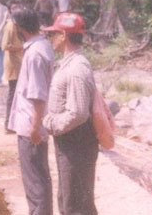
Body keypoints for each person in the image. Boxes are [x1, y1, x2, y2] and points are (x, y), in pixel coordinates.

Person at [42, 12, 99, 215]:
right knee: (69, 200)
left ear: (63, 35)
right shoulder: (71, 64)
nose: (50, 39)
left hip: (77, 142)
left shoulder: (76, 69)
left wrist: (51, 123)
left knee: (76, 205)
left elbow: (78, 113)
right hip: (71, 142)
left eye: (53, 34)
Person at [7, 9, 54, 215]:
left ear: (20, 28)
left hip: (30, 126)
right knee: (39, 178)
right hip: (32, 123)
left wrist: (35, 127)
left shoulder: (34, 53)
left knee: (35, 182)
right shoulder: (42, 46)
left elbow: (38, 94)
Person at [1, 0, 24, 134]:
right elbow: (4, 46)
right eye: (14, 8)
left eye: (18, 7)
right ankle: (8, 125)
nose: (17, 10)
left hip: (19, 63)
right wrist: (22, 47)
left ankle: (14, 123)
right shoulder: (10, 25)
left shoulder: (17, 24)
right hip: (13, 64)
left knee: (18, 94)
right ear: (9, 11)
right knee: (13, 94)